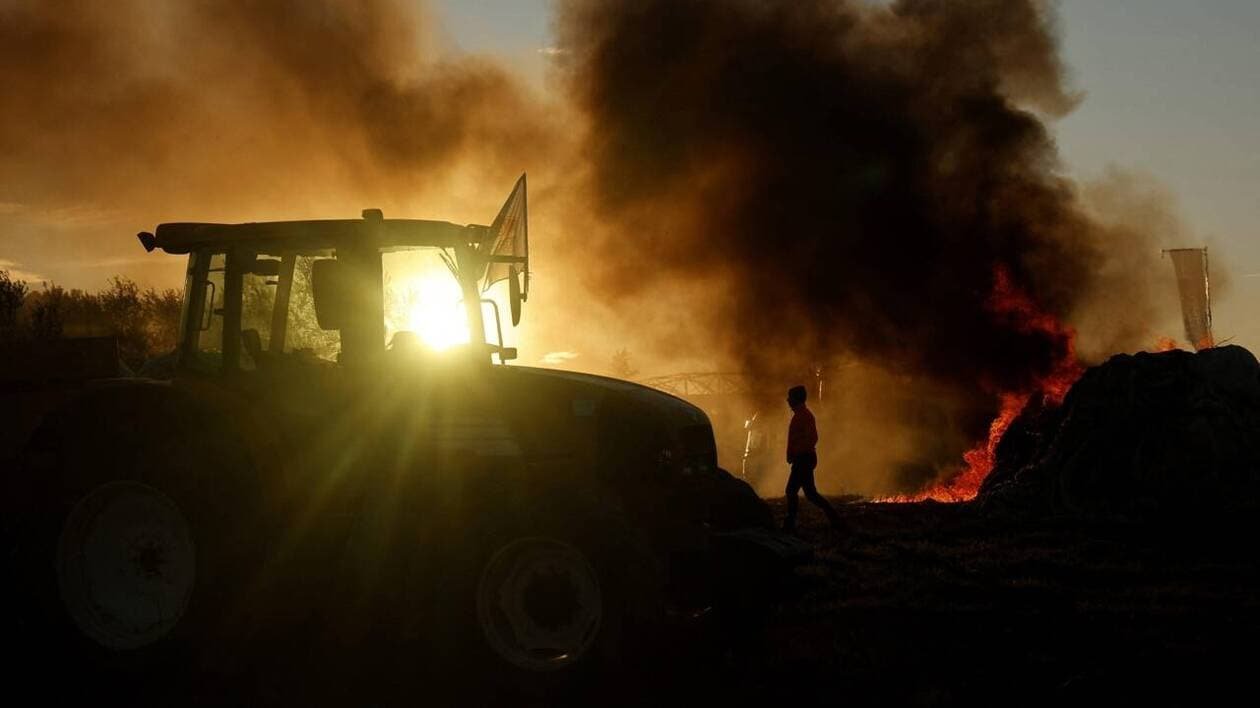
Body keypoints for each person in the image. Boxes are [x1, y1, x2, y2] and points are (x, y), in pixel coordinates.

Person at [783, 384, 842, 532]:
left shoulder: (803, 416)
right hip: (804, 458)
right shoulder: (801, 415)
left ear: (796, 399)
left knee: (791, 491)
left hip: (803, 459)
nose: (787, 400)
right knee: (810, 493)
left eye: (790, 398)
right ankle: (835, 518)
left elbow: (812, 438)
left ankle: (790, 523)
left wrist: (796, 452)